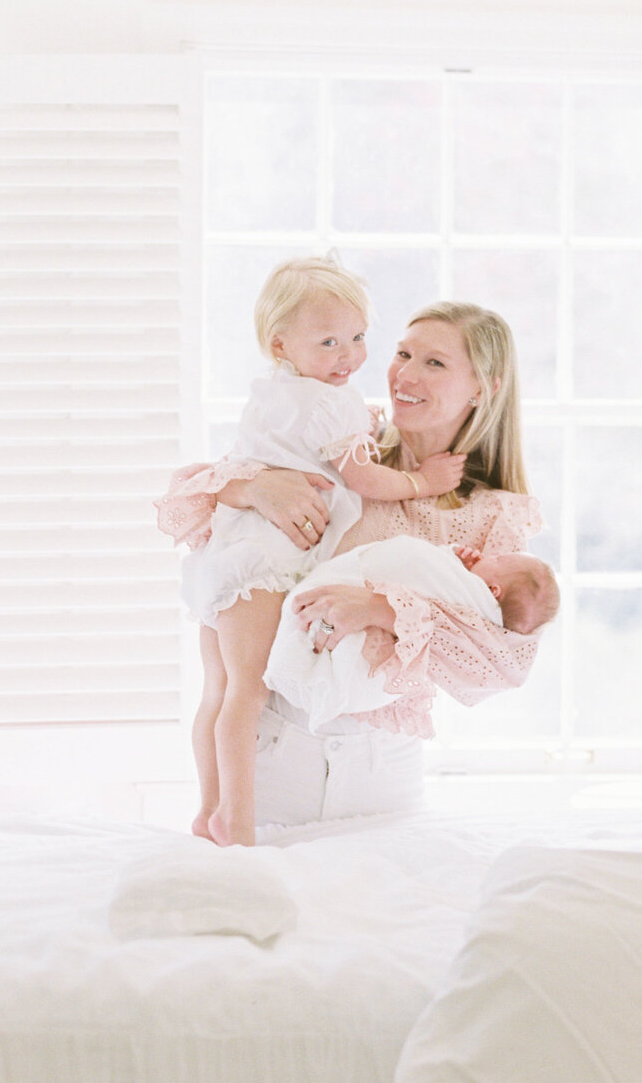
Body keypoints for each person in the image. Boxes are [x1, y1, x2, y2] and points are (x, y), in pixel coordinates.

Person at [158, 299, 544, 837]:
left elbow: (497, 663)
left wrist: (383, 610)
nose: (404, 374)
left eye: (434, 363)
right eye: (403, 353)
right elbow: (186, 501)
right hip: (269, 763)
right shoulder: (343, 446)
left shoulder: (493, 516)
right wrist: (251, 488)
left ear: (483, 387)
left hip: (380, 778)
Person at [179, 256, 466, 846]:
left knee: (219, 691)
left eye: (358, 338)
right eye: (330, 342)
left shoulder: (271, 393)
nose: (349, 356)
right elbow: (363, 481)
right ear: (281, 343)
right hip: (266, 563)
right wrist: (423, 483)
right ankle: (235, 821)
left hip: (225, 557)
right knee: (247, 694)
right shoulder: (333, 405)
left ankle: (209, 809)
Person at [265, 535, 559, 735]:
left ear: (493, 591)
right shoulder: (474, 581)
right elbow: (426, 565)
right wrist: (456, 559)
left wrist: (384, 609)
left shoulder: (484, 619)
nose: (488, 554)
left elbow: (417, 563)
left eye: (496, 560)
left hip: (373, 726)